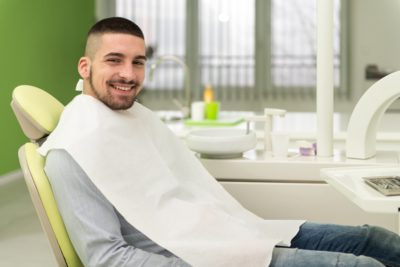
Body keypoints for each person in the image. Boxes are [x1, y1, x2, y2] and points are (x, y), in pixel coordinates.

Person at [39, 17, 400, 267]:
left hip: (230, 234)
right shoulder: (71, 153)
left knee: (378, 239)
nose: (128, 74)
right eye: (114, 60)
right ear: (85, 67)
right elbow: (108, 259)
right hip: (207, 257)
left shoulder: (131, 120)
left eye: (138, 62)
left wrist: (234, 234)